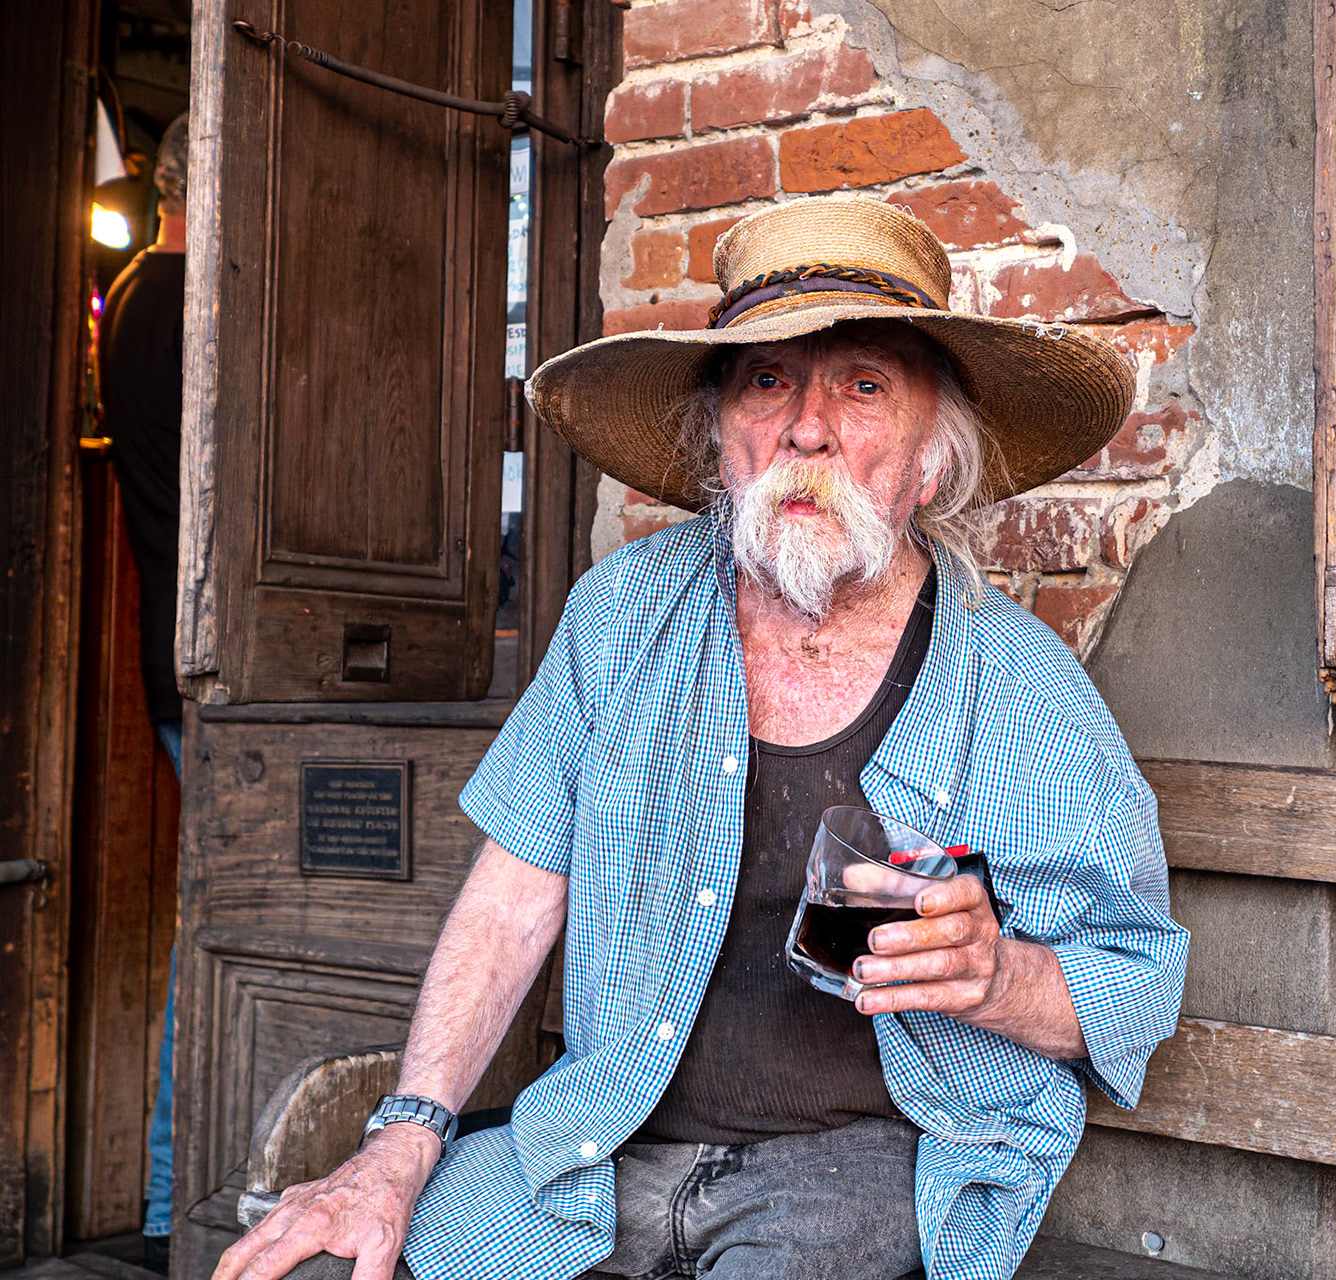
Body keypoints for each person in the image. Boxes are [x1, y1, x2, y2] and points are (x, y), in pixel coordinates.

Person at [215, 196, 1188, 1280]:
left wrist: (991, 970)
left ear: (929, 459)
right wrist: (401, 1140)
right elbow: (515, 890)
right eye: (766, 379)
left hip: (861, 1165)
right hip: (600, 1147)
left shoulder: (1016, 686)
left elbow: (1130, 984)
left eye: (863, 385)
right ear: (721, 433)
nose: (805, 426)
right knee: (318, 1266)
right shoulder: (621, 615)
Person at [97, 110, 189, 1275]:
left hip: (172, 654)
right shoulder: (179, 301)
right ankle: (174, 1201)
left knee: (202, 922)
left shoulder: (130, 294)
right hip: (202, 662)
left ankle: (174, 1198)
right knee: (211, 925)